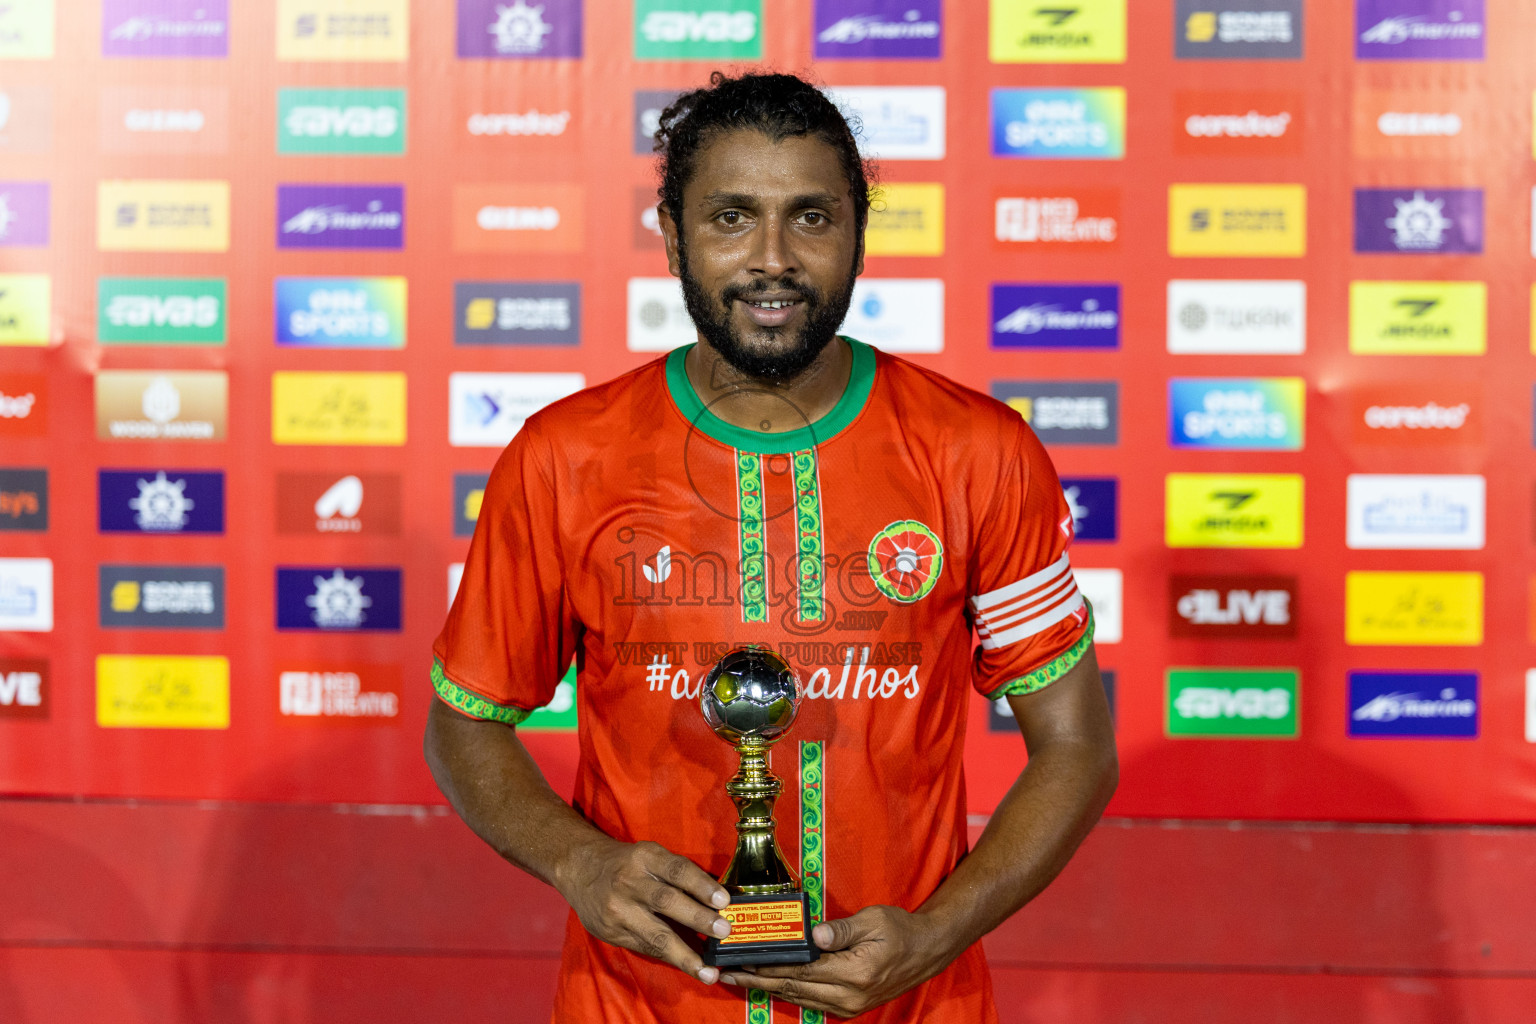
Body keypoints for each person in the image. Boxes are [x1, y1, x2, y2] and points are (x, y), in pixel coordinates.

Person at [425, 71, 1118, 1023]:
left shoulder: (979, 453)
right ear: (672, 236)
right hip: (638, 1006)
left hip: (911, 1006)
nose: (772, 258)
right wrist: (577, 860)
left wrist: (938, 933)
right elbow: (466, 720)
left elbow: (1076, 747)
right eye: (731, 217)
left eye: (812, 219)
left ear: (858, 235)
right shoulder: (562, 458)